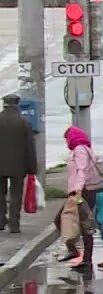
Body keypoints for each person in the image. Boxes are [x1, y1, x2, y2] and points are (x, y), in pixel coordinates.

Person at [62, 126, 103, 272]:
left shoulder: (80, 149)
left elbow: (82, 171)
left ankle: (83, 257)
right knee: (82, 224)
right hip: (81, 191)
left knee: (84, 225)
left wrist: (77, 191)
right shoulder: (82, 148)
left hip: (83, 192)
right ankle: (79, 254)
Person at [0, 94, 37, 234]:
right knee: (16, 195)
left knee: (0, 194)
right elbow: (29, 147)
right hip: (18, 166)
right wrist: (32, 168)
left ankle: (0, 221)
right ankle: (14, 224)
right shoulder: (23, 122)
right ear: (17, 105)